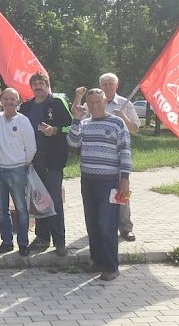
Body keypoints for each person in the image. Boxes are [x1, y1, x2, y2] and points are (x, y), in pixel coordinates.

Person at [68, 88, 132, 281]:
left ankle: (111, 266)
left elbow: (125, 151)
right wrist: (76, 119)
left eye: (98, 101)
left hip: (109, 181)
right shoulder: (85, 123)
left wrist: (125, 179)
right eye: (91, 103)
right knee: (93, 222)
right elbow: (72, 143)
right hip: (88, 180)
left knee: (106, 224)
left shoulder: (117, 122)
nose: (95, 106)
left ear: (105, 101)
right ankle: (97, 262)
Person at [73, 72, 140, 242]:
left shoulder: (125, 103)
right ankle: (100, 227)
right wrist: (78, 97)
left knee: (121, 194)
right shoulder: (92, 103)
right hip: (96, 160)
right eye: (104, 84)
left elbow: (135, 129)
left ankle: (125, 227)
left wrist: (122, 116)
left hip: (118, 158)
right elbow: (78, 117)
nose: (108, 87)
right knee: (100, 201)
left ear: (116, 86)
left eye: (111, 84)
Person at [18, 72, 72, 257]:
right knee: (38, 199)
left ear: (47, 85)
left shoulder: (56, 103)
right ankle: (42, 238)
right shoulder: (25, 107)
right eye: (35, 84)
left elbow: (71, 126)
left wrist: (55, 130)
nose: (38, 86)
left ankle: (60, 241)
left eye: (41, 83)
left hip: (52, 160)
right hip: (33, 161)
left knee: (55, 201)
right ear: (31, 87)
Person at [0, 87, 37, 256]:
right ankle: (7, 242)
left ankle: (23, 243)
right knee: (2, 209)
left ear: (18, 102)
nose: (8, 102)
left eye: (12, 99)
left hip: (17, 171)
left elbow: (31, 147)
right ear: (1, 101)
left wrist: (24, 164)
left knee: (21, 209)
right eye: (5, 99)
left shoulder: (23, 121)